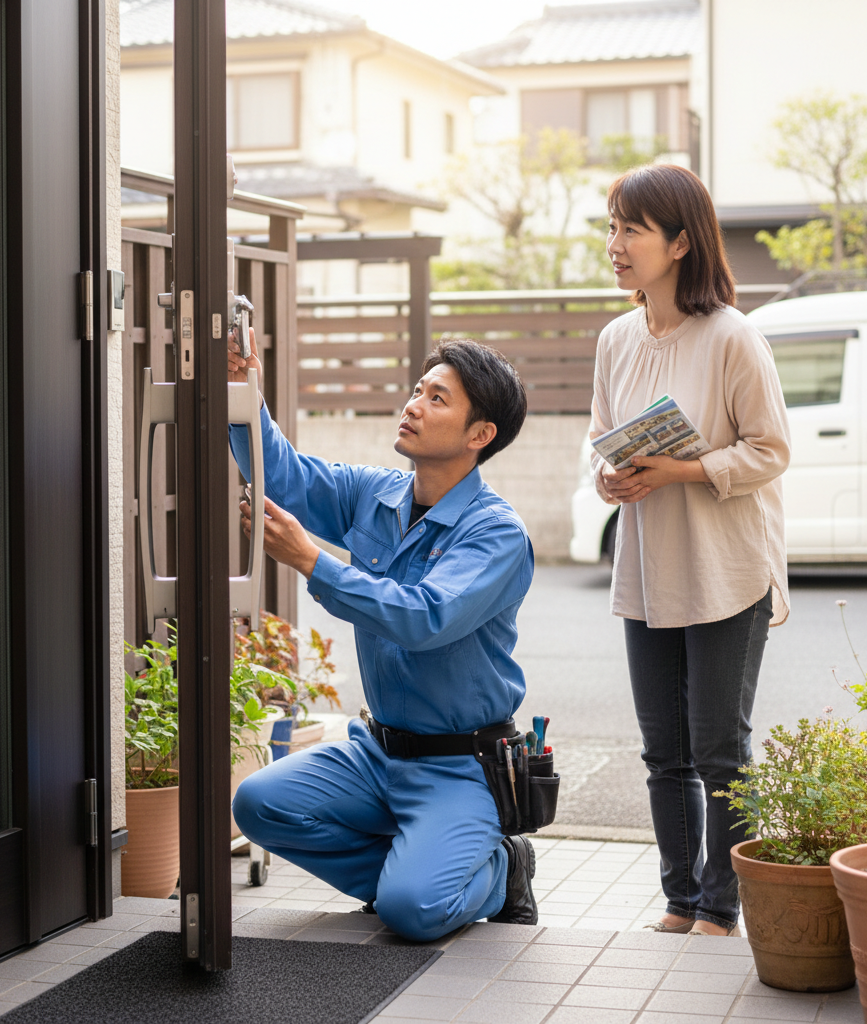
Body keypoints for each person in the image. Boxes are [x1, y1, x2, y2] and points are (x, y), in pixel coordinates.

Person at [227, 336, 536, 942]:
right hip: (376, 754)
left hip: (460, 767)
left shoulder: (496, 534)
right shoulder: (376, 494)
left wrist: (313, 561)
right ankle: (414, 870)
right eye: (418, 390)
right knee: (257, 804)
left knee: (412, 914)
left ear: (480, 434)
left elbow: (423, 619)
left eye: (438, 398)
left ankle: (502, 868)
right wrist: (244, 390)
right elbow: (286, 478)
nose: (415, 404)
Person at [591, 164, 790, 936]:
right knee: (662, 749)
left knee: (719, 749)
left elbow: (771, 450)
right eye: (611, 227)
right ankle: (679, 897)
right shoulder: (615, 339)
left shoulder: (734, 337)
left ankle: (721, 904)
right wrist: (610, 478)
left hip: (726, 570)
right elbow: (601, 436)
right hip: (647, 569)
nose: (615, 245)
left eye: (629, 229)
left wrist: (683, 469)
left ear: (680, 242)